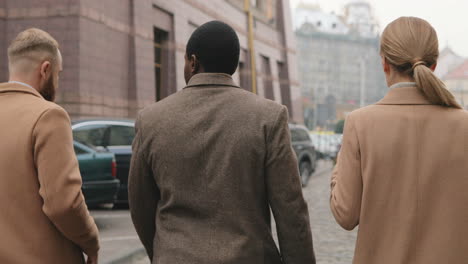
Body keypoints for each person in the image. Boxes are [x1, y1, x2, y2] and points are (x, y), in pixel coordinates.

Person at [129, 20, 315, 264]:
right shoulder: (268, 117)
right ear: (233, 66)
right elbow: (291, 210)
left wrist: (163, 252)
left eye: (185, 61)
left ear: (193, 62)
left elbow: (140, 204)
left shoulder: (151, 120)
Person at [330, 16, 468, 264]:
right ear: (434, 65)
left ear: (384, 63)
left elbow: (345, 215)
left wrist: (340, 164)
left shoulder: (361, 123)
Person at [0, 28, 99, 264]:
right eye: (58, 73)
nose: (57, 81)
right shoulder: (48, 115)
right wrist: (91, 241)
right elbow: (63, 204)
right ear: (45, 69)